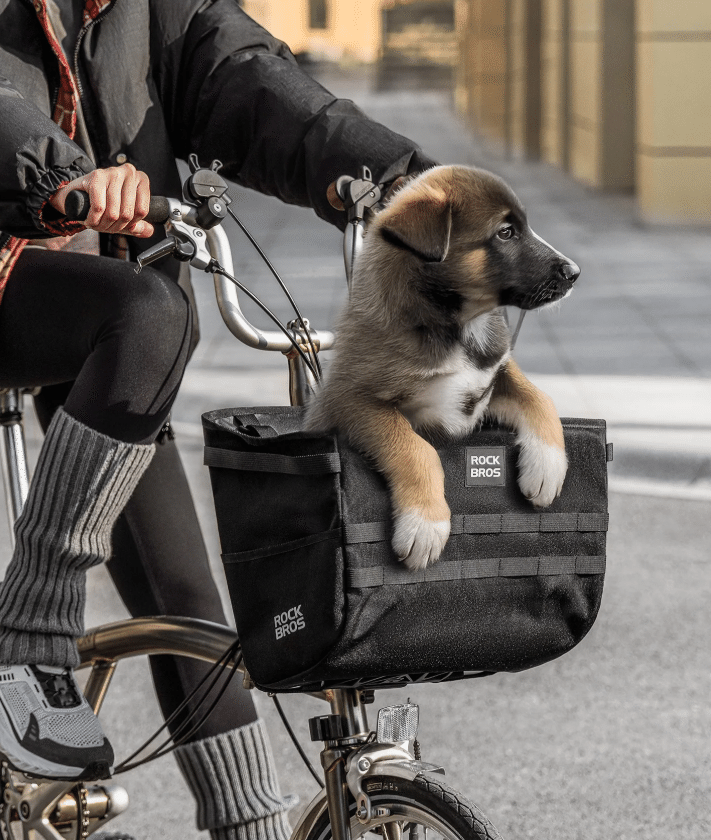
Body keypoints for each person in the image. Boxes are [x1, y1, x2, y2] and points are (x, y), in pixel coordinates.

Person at [0, 1, 437, 838]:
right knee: (149, 313)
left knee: (184, 602)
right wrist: (61, 176)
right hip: (20, 274)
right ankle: (30, 631)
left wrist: (400, 177)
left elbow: (241, 76)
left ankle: (251, 827)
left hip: (108, 301)